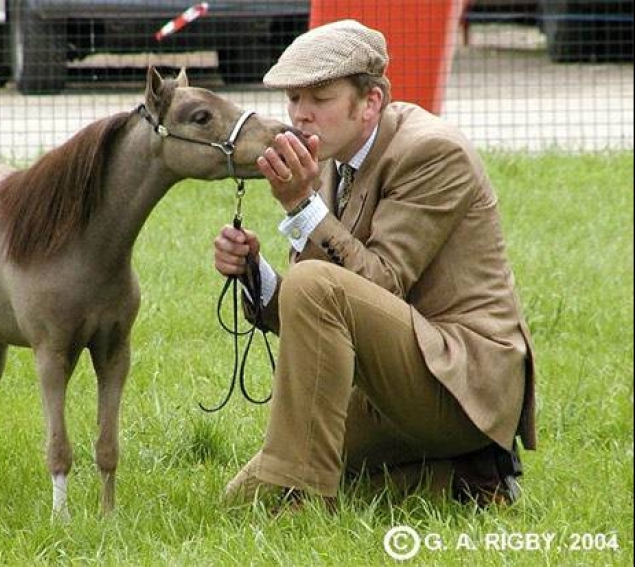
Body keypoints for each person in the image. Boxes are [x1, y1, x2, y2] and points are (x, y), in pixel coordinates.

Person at [213, 19, 536, 508]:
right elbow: (314, 310)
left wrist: (302, 207)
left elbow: (380, 285)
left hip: (463, 385)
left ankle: (305, 503)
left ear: (371, 101)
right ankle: (465, 481)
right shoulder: (327, 159)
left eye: (318, 98)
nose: (300, 115)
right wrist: (254, 273)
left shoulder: (432, 151)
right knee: (243, 499)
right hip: (392, 381)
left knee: (284, 482)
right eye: (293, 100)